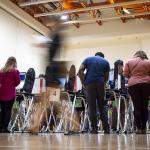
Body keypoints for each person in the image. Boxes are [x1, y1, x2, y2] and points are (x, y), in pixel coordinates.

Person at [78, 52, 110, 134]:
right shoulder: (105, 62)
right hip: (100, 84)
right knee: (101, 107)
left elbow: (80, 70)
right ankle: (106, 129)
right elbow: (106, 76)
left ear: (95, 55)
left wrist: (83, 83)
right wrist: (103, 83)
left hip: (90, 84)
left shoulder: (88, 59)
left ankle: (94, 129)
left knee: (92, 107)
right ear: (102, 56)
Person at [124, 50, 150, 134]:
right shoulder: (148, 62)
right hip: (146, 84)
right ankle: (144, 128)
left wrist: (133, 75)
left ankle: (138, 128)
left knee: (137, 107)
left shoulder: (129, 62)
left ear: (136, 55)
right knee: (145, 107)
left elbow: (126, 74)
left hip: (133, 84)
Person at [0, 57, 20, 133]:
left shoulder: (1, 71)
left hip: (1, 94)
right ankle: (4, 128)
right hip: (10, 94)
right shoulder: (14, 71)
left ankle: (0, 127)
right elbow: (17, 82)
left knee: (2, 111)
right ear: (14, 63)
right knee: (8, 111)